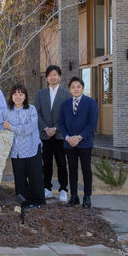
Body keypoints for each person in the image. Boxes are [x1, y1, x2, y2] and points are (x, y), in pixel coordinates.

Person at [0, 84, 44, 209]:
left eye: (21, 94)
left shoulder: (32, 109)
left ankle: (37, 202)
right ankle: (23, 202)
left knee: (35, 176)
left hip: (32, 147)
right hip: (16, 149)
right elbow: (0, 125)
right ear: (11, 96)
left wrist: (12, 127)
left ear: (25, 96)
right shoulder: (6, 111)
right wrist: (5, 127)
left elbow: (29, 128)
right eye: (15, 94)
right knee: (20, 177)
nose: (18, 97)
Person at [59, 76, 99, 209]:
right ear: (69, 89)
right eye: (73, 87)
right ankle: (74, 196)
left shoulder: (91, 103)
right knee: (72, 170)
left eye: (78, 87)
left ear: (82, 88)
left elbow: (92, 124)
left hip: (84, 143)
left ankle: (87, 197)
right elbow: (61, 123)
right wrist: (67, 138)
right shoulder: (64, 104)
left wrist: (80, 137)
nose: (76, 89)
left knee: (86, 169)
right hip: (69, 143)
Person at [35, 65, 71, 202]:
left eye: (55, 74)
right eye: (50, 75)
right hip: (45, 135)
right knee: (46, 162)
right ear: (47, 78)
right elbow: (36, 112)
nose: (53, 77)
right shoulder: (40, 94)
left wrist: (55, 129)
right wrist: (45, 128)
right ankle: (47, 188)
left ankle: (63, 189)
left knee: (62, 163)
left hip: (60, 135)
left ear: (59, 77)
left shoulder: (66, 94)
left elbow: (67, 115)